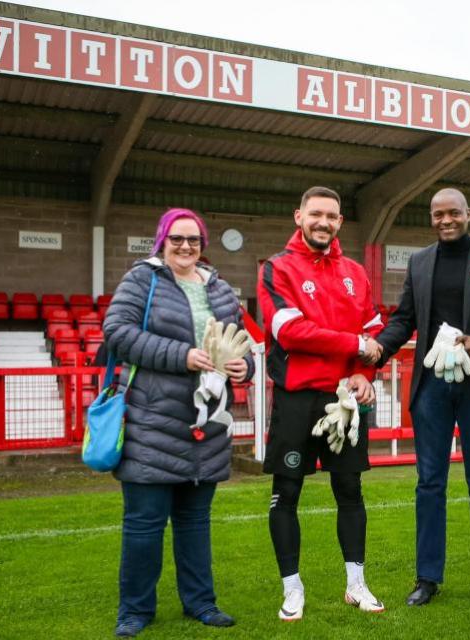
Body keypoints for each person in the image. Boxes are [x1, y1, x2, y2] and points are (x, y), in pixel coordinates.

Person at [368, 188, 470, 606]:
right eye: (438, 214)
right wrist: (379, 349)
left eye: (453, 213)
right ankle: (427, 578)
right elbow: (404, 319)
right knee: (429, 483)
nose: (445, 220)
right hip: (431, 388)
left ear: (468, 214)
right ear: (431, 218)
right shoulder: (420, 263)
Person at [103, 208, 253, 637]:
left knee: (195, 523)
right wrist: (182, 356)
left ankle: (201, 603)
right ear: (162, 241)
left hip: (207, 425)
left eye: (194, 240)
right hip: (152, 421)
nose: (186, 246)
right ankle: (134, 611)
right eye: (177, 238)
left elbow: (240, 343)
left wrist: (244, 368)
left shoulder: (220, 289)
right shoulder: (141, 280)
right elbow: (117, 331)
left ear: (203, 245)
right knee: (144, 525)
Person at [257, 186, 385, 621]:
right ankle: (292, 590)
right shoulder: (277, 268)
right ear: (298, 216)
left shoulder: (355, 271)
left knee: (350, 490)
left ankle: (356, 584)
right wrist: (354, 344)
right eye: (315, 214)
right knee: (286, 493)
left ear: (339, 222)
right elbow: (290, 331)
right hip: (297, 399)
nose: (323, 222)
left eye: (331, 215)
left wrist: (364, 375)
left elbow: (374, 337)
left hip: (345, 400)